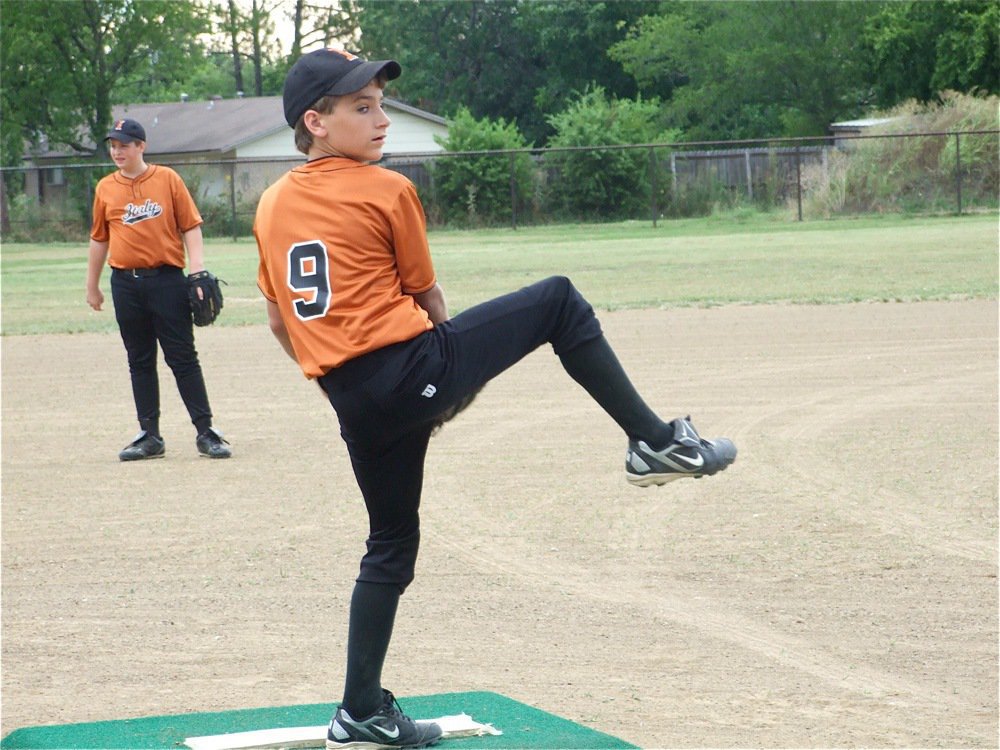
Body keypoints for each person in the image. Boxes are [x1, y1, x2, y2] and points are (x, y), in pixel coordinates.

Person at [254, 49, 736, 750]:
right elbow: (428, 297)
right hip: (410, 366)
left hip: (350, 396)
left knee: (389, 546)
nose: (382, 118)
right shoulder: (385, 189)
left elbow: (279, 322)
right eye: (362, 107)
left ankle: (360, 713)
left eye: (381, 104)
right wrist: (444, 375)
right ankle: (656, 443)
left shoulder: (271, 204)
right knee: (559, 302)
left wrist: (354, 387)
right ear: (316, 122)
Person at [86, 118, 231, 461]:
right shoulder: (105, 188)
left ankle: (206, 431)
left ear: (141, 146)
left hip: (166, 279)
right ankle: (149, 435)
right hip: (125, 283)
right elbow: (99, 239)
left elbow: (191, 226)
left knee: (182, 357)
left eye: (124, 145)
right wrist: (92, 285)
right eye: (113, 146)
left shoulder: (167, 179)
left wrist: (197, 269)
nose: (117, 151)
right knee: (139, 359)